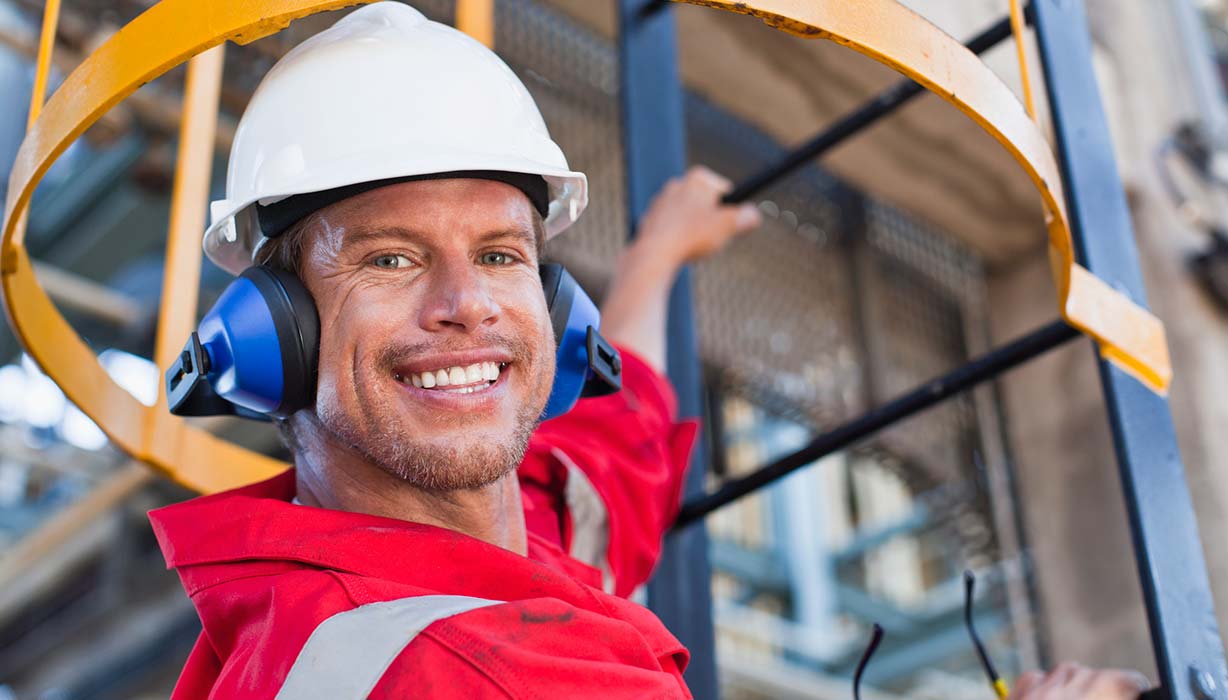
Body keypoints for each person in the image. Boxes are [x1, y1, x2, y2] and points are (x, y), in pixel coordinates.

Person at [148, 4, 1151, 699]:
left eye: (501, 255)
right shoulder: (467, 667)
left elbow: (607, 458)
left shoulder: (465, 564)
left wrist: (659, 252)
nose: (465, 305)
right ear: (267, 341)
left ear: (556, 315)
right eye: (390, 258)